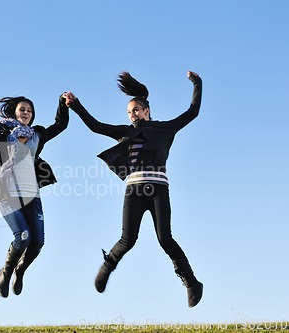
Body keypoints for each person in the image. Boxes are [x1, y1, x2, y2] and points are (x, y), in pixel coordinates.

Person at [65, 70, 203, 307]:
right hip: (134, 191)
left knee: (165, 239)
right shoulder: (125, 132)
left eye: (136, 110)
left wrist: (196, 82)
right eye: (129, 112)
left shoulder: (165, 128)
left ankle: (191, 282)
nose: (132, 115)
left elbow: (192, 112)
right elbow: (96, 126)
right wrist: (76, 105)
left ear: (147, 110)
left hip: (159, 189)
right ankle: (107, 268)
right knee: (127, 239)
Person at [0, 93, 69, 297]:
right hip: (6, 193)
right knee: (23, 236)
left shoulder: (37, 134)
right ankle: (6, 271)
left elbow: (60, 124)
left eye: (29, 110)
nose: (26, 113)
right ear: (14, 112)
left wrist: (63, 103)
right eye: (22, 109)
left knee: (37, 243)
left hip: (31, 195)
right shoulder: (2, 133)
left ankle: (20, 271)